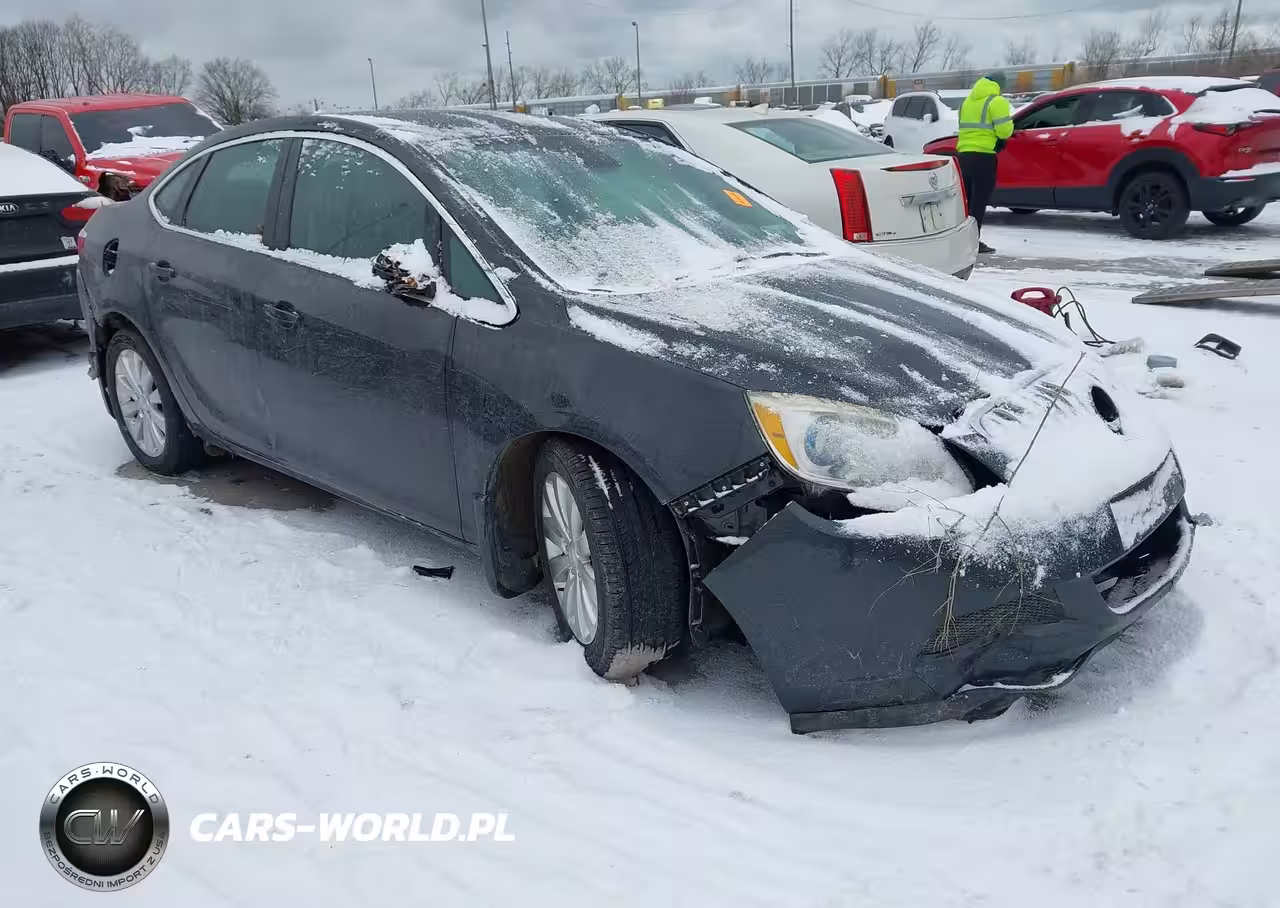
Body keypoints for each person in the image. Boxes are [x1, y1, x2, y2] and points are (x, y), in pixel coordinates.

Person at [956, 72, 1014, 255]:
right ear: (999, 84)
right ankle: (973, 242)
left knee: (966, 201)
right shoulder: (996, 101)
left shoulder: (967, 102)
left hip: (963, 156)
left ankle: (960, 240)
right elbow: (1004, 131)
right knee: (979, 202)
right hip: (984, 157)